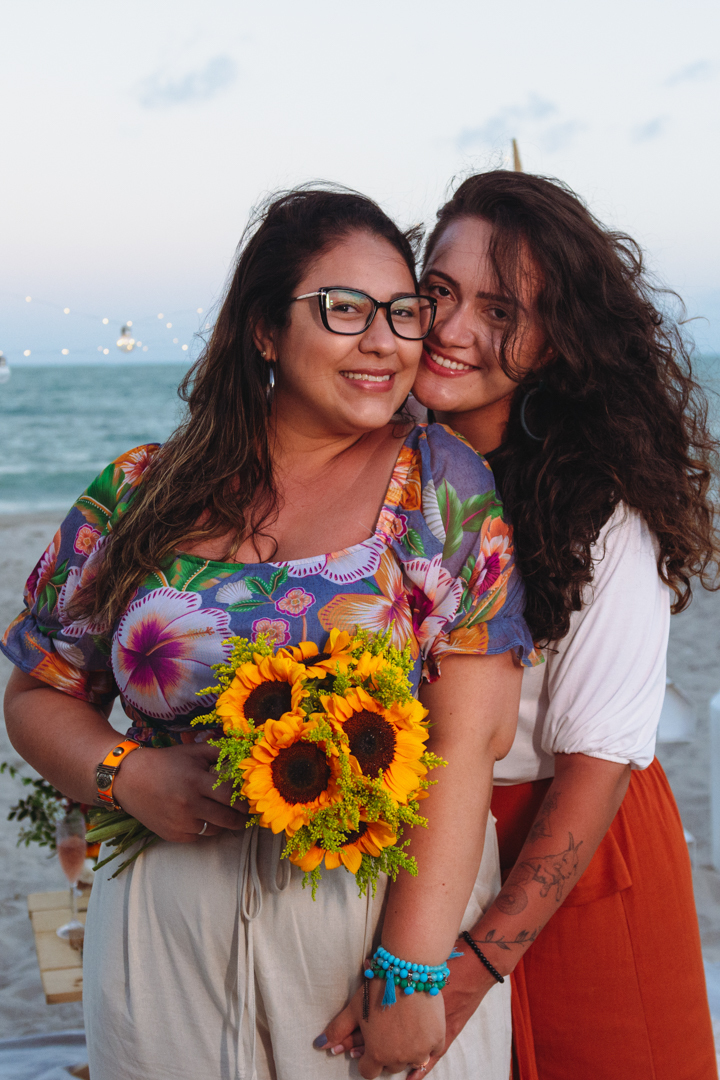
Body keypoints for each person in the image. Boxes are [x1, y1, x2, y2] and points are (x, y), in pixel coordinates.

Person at [2, 187, 535, 1080]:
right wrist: (125, 772)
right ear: (262, 329)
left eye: (403, 313)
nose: (383, 341)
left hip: (365, 930)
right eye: (344, 309)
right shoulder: (139, 491)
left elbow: (466, 740)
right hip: (160, 927)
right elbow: (36, 691)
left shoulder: (440, 488)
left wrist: (409, 969)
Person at [404, 170, 719, 1079]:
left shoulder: (605, 510)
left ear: (554, 342)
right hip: (430, 842)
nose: (456, 330)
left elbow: (598, 766)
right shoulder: (387, 469)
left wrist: (474, 968)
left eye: (502, 312)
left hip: (572, 839)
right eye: (440, 293)